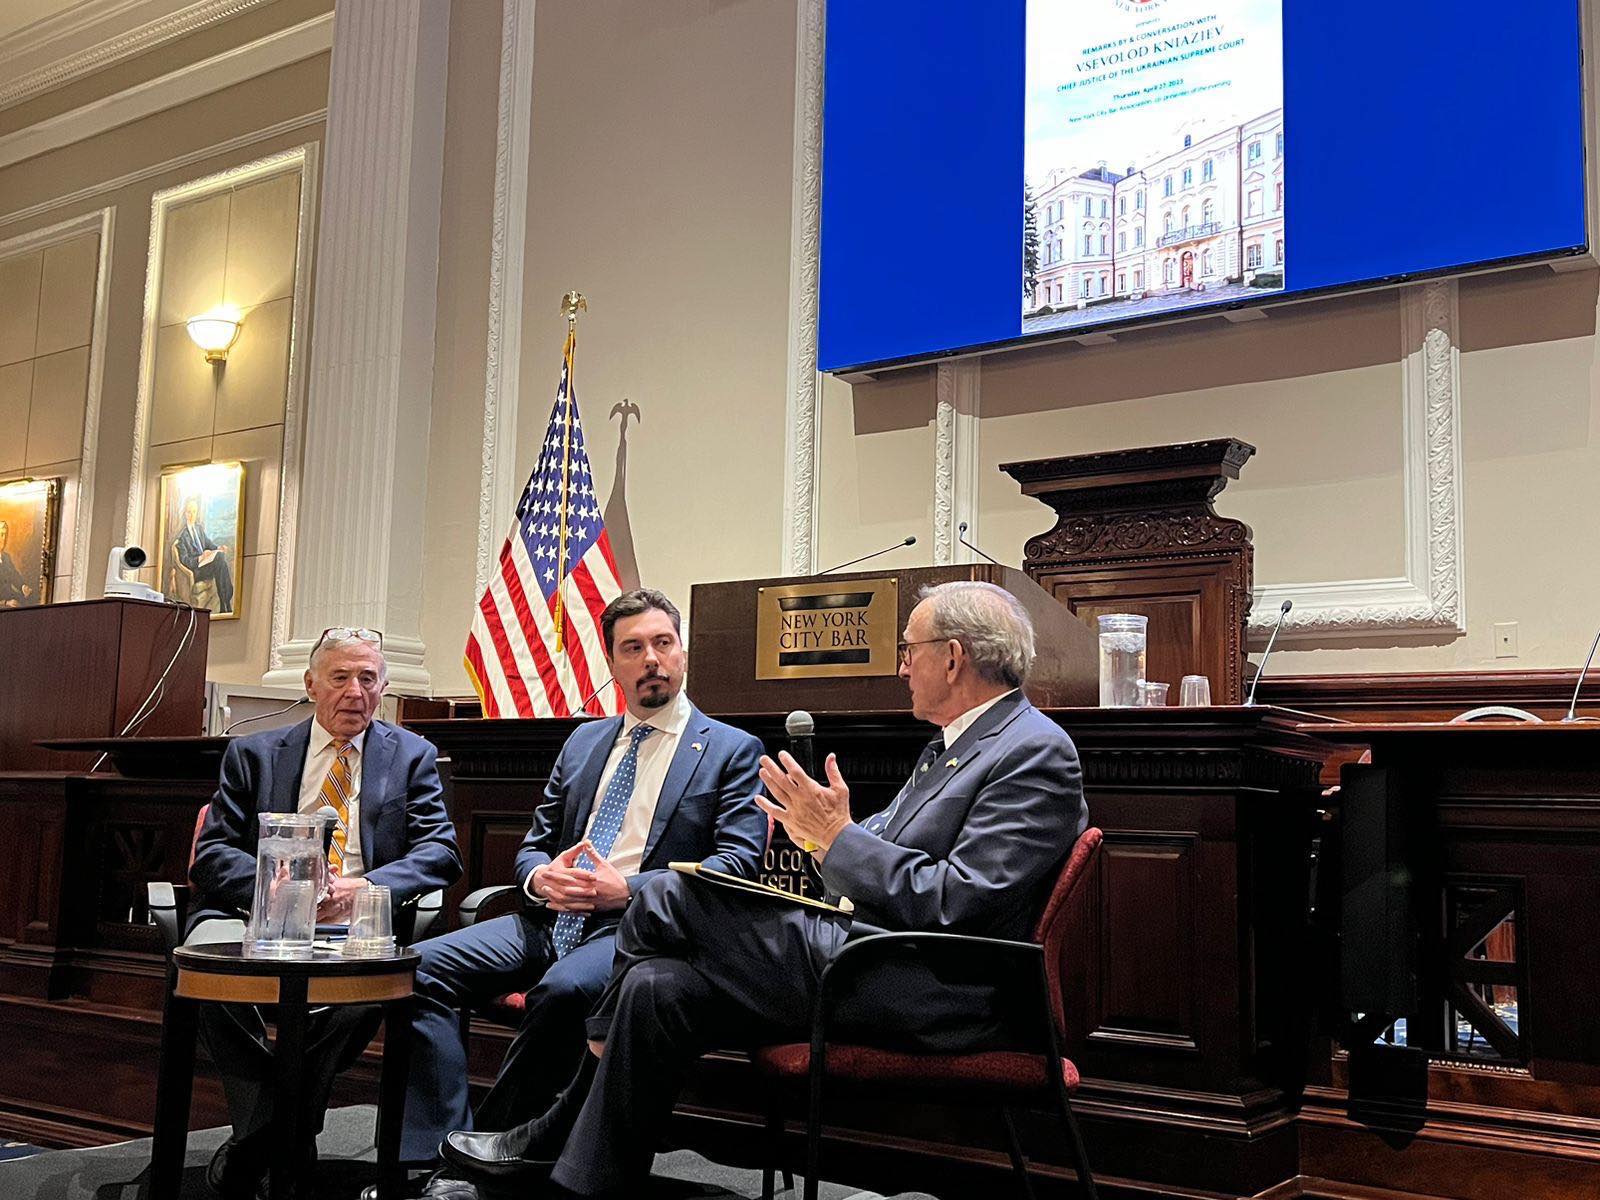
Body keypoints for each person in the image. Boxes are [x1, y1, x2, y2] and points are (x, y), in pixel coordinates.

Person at [441, 580, 1088, 1198]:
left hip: (933, 985)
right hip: (873, 954)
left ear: (952, 657)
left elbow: (954, 903)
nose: (902, 667)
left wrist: (836, 839)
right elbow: (875, 859)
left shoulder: (1033, 750)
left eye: (909, 650)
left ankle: (551, 1126)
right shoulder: (952, 748)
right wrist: (828, 838)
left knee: (671, 895)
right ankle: (582, 1183)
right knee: (655, 985)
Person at [386, 589, 767, 1199]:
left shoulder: (730, 749)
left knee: (564, 991)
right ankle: (433, 1148)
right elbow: (534, 845)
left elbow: (735, 864)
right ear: (612, 662)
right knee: (414, 969)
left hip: (634, 930)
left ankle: (475, 1166)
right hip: (549, 917)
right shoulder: (584, 742)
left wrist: (628, 890)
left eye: (662, 643)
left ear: (683, 653)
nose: (651, 659)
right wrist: (540, 878)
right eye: (633, 648)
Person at [186, 628, 462, 1198]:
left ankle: (259, 1142)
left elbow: (441, 852)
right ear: (311, 685)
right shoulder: (254, 753)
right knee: (207, 967)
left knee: (370, 988)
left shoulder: (412, 756)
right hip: (254, 910)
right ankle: (281, 1131)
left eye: (368, 679)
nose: (355, 692)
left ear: (383, 687)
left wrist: (368, 887)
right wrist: (275, 886)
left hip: (354, 918)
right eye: (340, 677)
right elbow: (212, 852)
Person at [175, 495, 235, 613]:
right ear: (185, 514)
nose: (192, 515)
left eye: (194, 512)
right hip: (196, 570)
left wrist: (218, 548)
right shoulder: (183, 537)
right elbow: (185, 560)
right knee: (220, 559)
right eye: (189, 512)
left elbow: (208, 543)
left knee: (220, 557)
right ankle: (225, 602)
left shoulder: (198, 529)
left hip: (205, 565)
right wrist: (200, 558)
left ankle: (225, 601)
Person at [0, 520, 33, 608]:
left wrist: (22, 586)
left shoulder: (6, 557)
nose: (3, 539)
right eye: (1, 535)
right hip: (3, 604)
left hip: (9, 596)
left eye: (5, 535)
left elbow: (14, 575)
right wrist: (5, 603)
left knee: (31, 600)